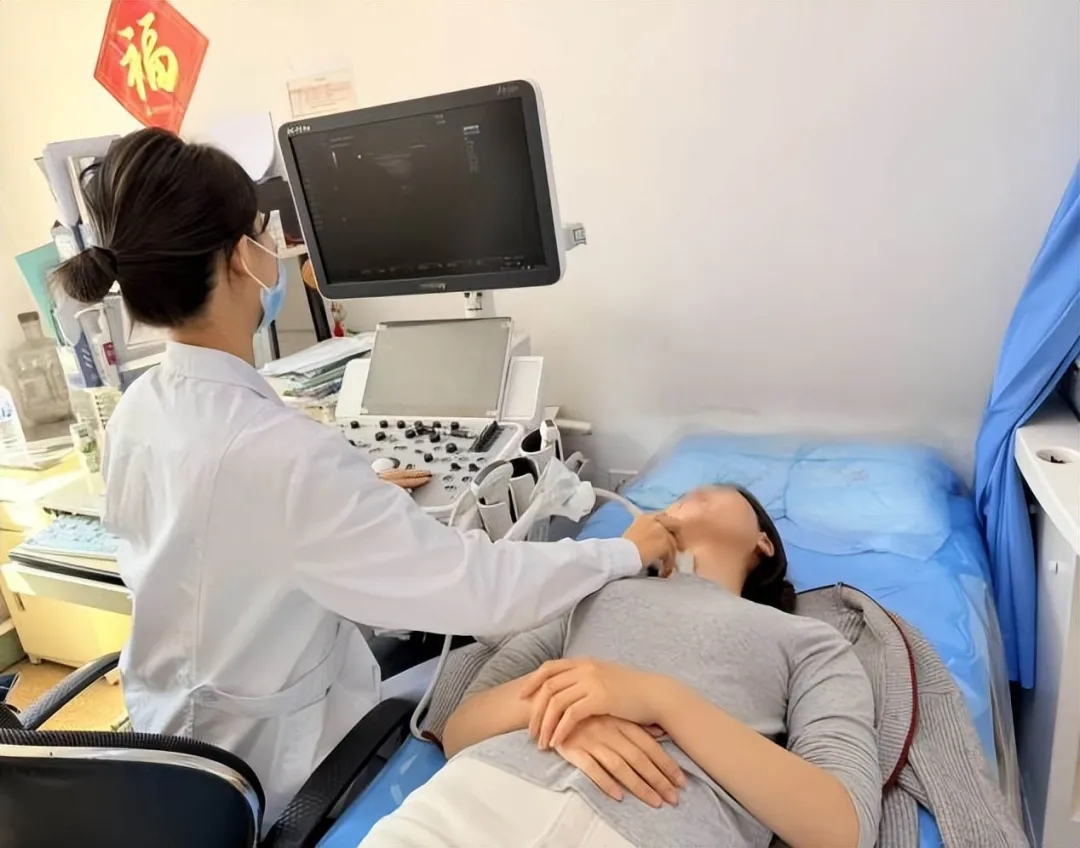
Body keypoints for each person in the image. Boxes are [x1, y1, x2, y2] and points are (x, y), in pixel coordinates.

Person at [51, 127, 678, 827]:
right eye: (262, 232)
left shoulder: (141, 408)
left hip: (168, 745)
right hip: (276, 775)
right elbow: (479, 590)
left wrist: (354, 501)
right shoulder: (283, 457)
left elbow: (228, 542)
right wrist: (622, 551)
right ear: (239, 259)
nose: (273, 247)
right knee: (478, 669)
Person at [361, 486, 881, 848]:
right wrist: (569, 707)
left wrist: (659, 699)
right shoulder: (594, 592)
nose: (693, 490)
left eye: (724, 489)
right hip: (470, 805)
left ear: (763, 542)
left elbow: (842, 828)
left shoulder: (808, 639)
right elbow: (460, 730)